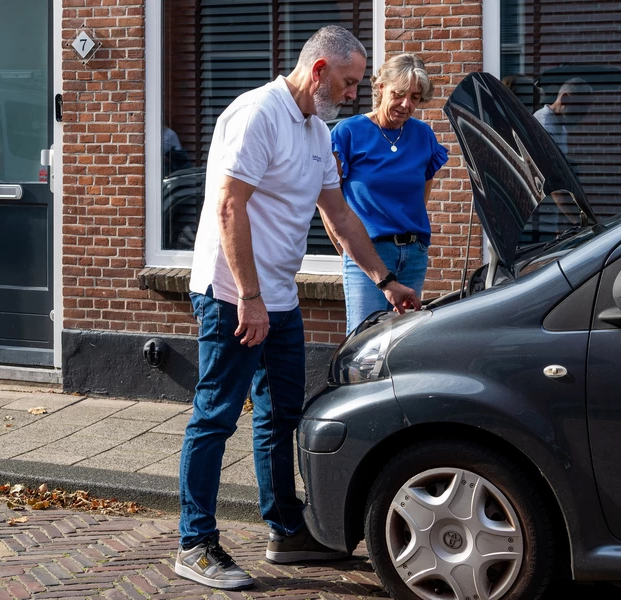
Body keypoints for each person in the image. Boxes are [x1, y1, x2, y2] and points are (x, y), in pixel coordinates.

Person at [177, 25, 421, 591]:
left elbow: (339, 216)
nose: (355, 93)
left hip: (279, 298)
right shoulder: (255, 114)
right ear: (318, 71)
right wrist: (251, 298)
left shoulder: (316, 129)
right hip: (232, 295)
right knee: (215, 416)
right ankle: (195, 543)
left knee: (279, 416)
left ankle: (285, 531)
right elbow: (228, 209)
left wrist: (385, 280)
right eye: (349, 81)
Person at [328, 53, 448, 333]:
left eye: (415, 98)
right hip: (368, 254)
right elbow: (328, 204)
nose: (406, 104)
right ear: (381, 87)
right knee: (363, 342)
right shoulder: (348, 133)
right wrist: (349, 252)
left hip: (414, 254)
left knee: (400, 340)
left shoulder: (423, 135)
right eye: (399, 93)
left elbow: (421, 198)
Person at [532, 77, 593, 156]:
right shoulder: (544, 125)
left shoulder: (560, 126)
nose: (584, 113)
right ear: (565, 99)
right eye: (582, 106)